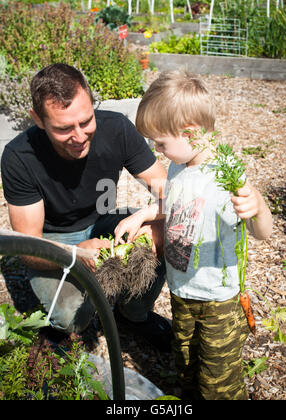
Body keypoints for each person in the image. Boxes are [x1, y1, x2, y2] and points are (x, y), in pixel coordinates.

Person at [115, 70, 273, 399]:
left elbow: (262, 232)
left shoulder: (225, 175)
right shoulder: (179, 165)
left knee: (218, 380)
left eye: (161, 143)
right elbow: (171, 200)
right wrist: (144, 214)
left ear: (190, 133)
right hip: (182, 291)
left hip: (217, 300)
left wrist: (257, 206)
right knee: (186, 362)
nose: (157, 151)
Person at [0, 63, 173, 351]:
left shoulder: (117, 128)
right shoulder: (19, 157)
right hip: (55, 238)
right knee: (72, 320)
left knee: (168, 234)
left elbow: (169, 191)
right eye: (64, 128)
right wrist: (79, 254)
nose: (79, 137)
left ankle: (133, 314)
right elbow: (29, 249)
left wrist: (154, 224)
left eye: (86, 121)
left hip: (106, 221)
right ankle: (65, 330)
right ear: (38, 120)